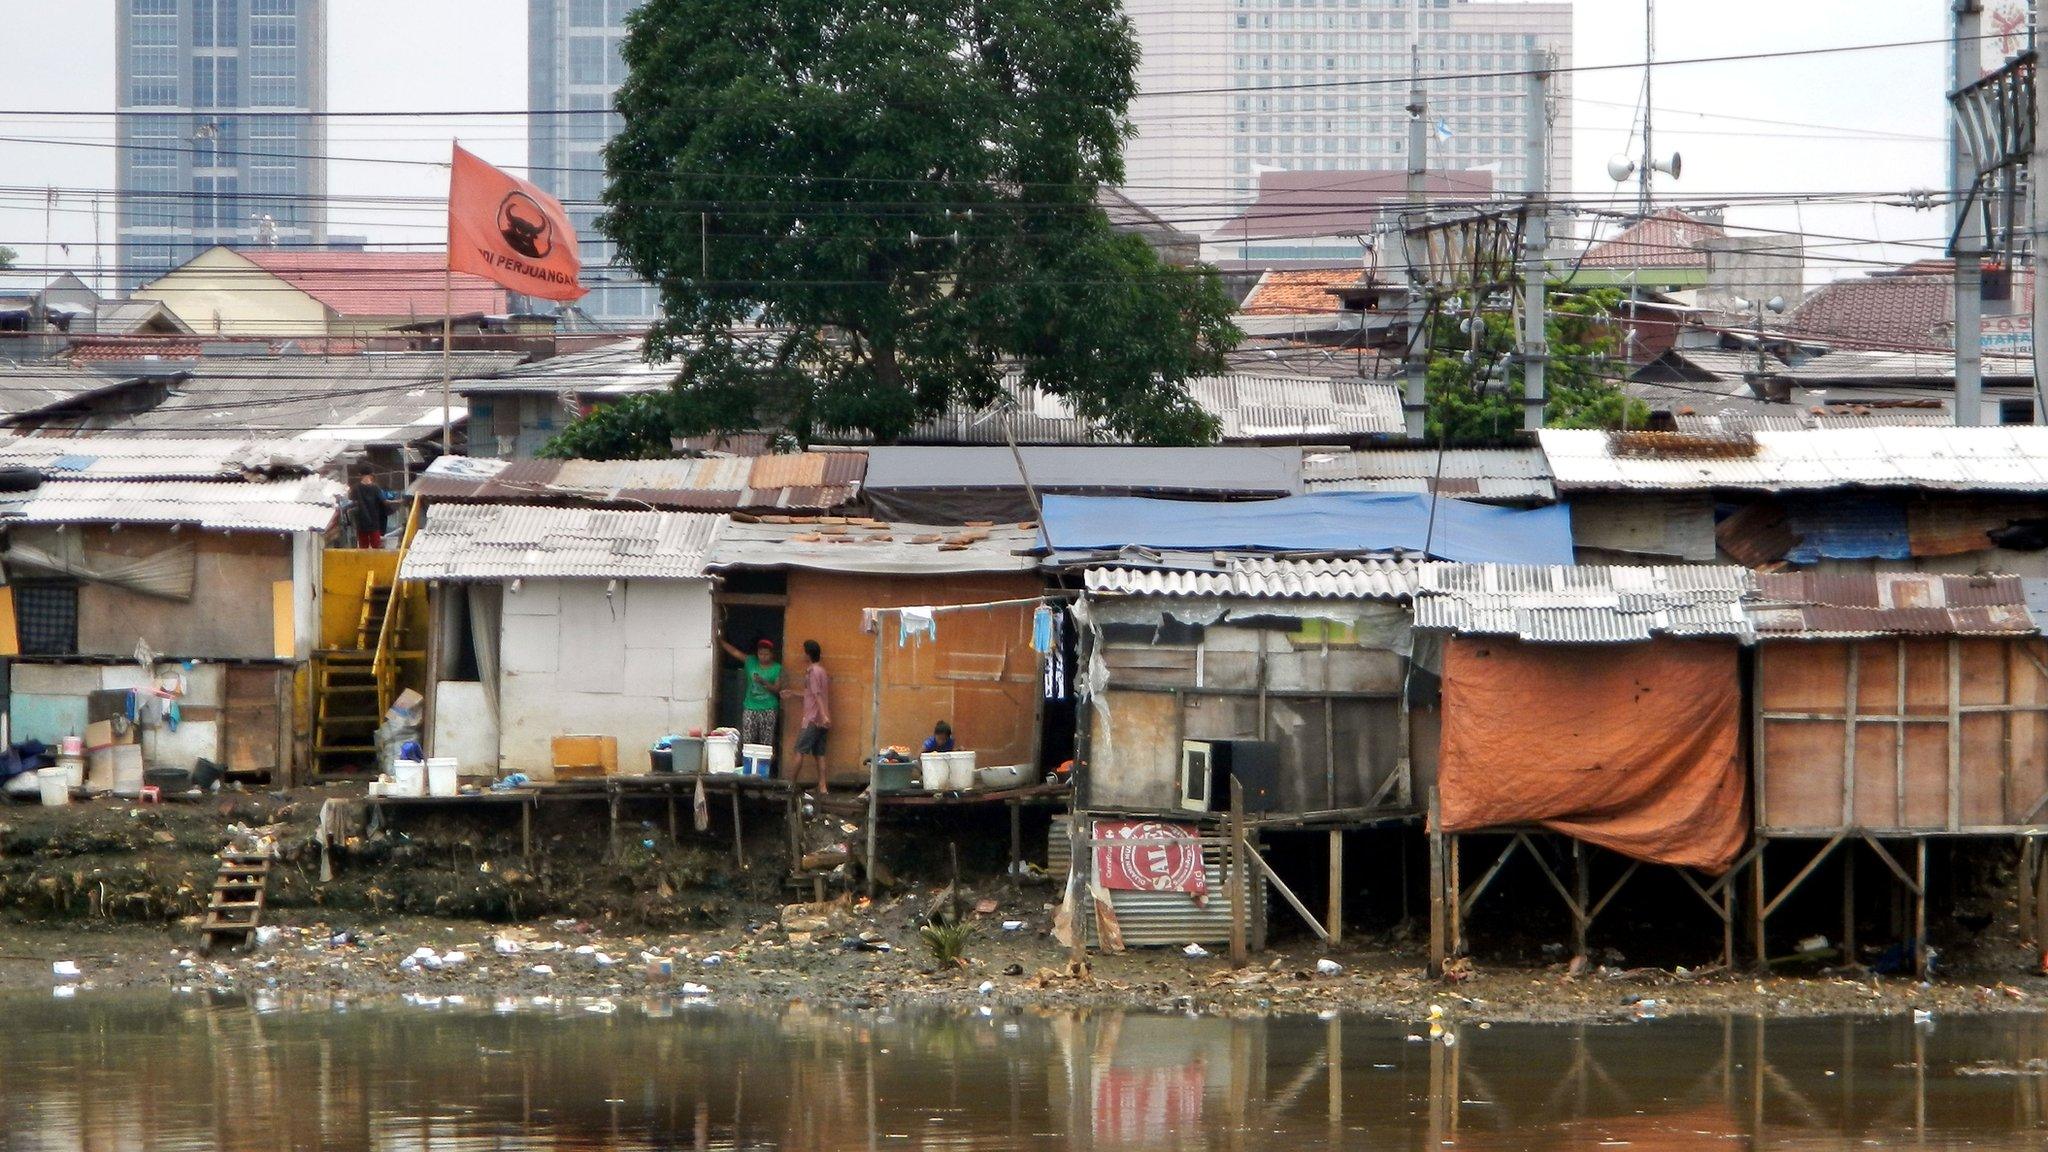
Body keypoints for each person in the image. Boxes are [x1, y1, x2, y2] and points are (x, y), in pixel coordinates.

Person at [717, 632, 782, 751]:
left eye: (766, 654)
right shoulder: (751, 662)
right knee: (747, 740)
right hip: (750, 707)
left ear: (772, 654)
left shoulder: (777, 668)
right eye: (760, 653)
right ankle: (747, 767)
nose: (763, 656)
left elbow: (777, 689)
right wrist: (720, 641)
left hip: (769, 708)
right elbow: (735, 653)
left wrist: (764, 683)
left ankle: (764, 768)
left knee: (766, 742)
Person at [794, 639, 831, 791]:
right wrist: (792, 693)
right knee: (819, 754)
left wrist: (822, 715)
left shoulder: (811, 672)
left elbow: (816, 695)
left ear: (808, 655)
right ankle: (822, 786)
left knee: (799, 750)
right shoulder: (822, 671)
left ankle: (791, 784)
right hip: (822, 720)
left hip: (812, 718)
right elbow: (811, 694)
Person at [349, 467, 392, 549]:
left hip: (361, 523)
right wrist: (398, 501)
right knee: (376, 547)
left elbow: (351, 500)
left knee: (363, 548)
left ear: (360, 475)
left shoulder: (356, 488)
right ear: (371, 475)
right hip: (374, 523)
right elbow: (384, 502)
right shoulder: (376, 488)